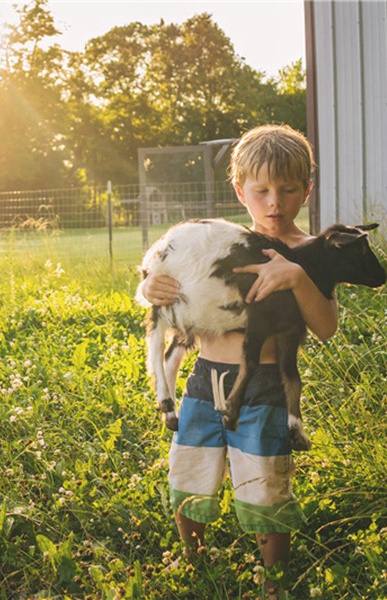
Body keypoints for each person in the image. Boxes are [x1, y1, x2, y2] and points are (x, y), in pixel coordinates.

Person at [137, 124, 338, 597]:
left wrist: (296, 278)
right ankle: (193, 560)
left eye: (288, 190)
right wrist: (149, 286)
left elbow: (326, 326)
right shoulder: (222, 244)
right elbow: (171, 288)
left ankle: (275, 583)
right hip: (205, 379)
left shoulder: (313, 252)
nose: (275, 203)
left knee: (265, 480)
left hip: (265, 386)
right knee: (190, 470)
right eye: (262, 190)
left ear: (307, 191)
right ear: (239, 191)